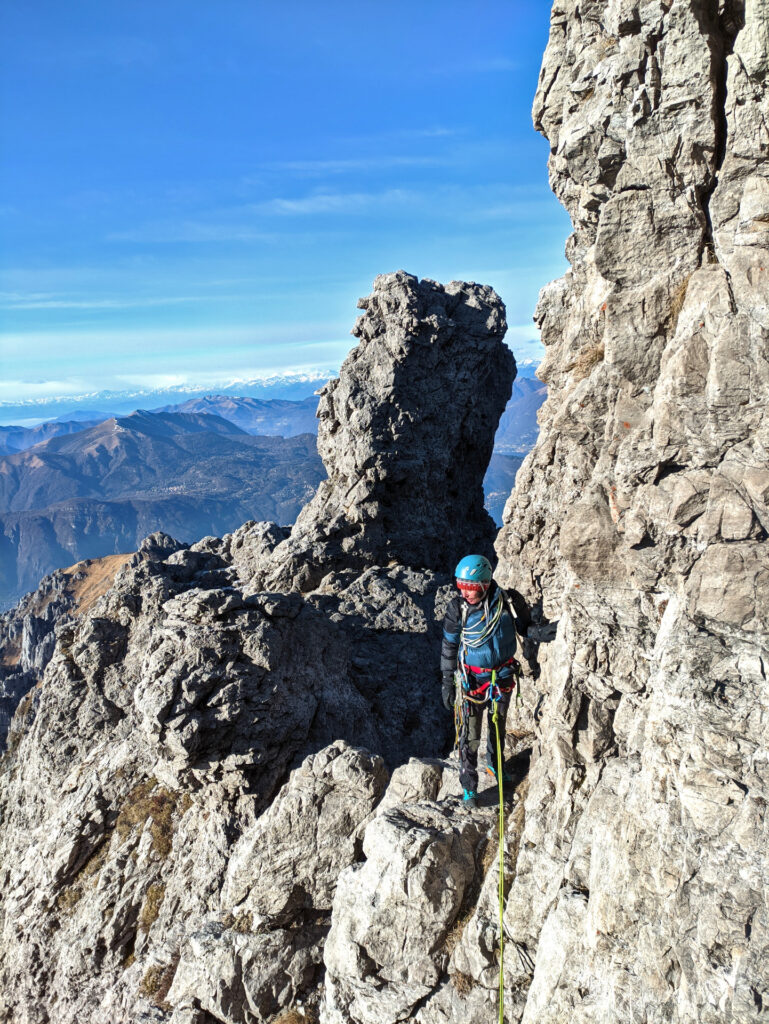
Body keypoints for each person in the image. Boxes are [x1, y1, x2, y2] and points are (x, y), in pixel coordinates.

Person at [441, 554, 531, 809]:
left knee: (498, 726)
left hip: (501, 676)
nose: (465, 593)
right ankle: (469, 786)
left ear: (484, 584)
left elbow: (524, 627)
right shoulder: (457, 608)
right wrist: (447, 680)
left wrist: (528, 619)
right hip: (471, 680)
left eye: (470, 588)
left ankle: (495, 765)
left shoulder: (507, 600)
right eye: (461, 587)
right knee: (469, 735)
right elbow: (449, 646)